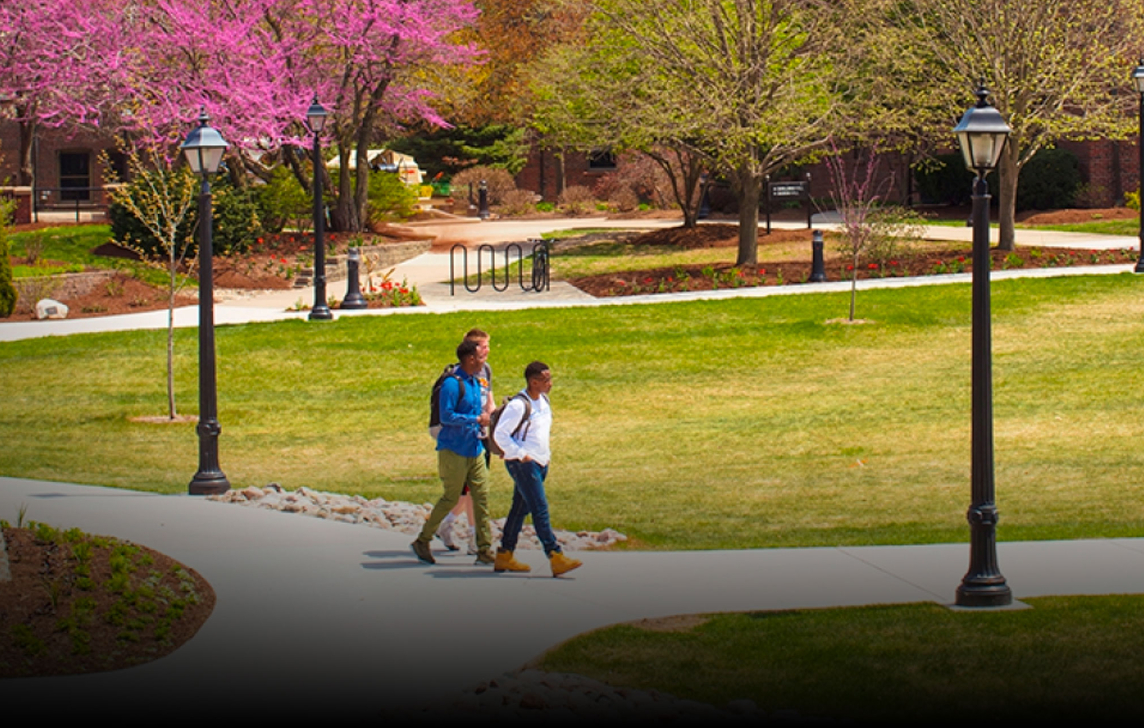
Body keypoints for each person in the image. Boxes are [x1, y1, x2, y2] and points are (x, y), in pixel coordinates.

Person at [492, 361, 582, 578]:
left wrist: (545, 457)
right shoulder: (519, 406)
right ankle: (555, 555)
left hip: (540, 462)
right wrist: (522, 455)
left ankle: (505, 554)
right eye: (546, 380)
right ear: (533, 382)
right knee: (539, 508)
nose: (550, 383)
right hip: (523, 463)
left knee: (519, 509)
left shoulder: (543, 401)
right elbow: (500, 435)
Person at [412, 339, 494, 566]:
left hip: (475, 448)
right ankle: (423, 539)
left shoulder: (477, 381)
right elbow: (446, 417)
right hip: (454, 450)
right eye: (480, 356)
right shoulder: (452, 384)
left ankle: (484, 549)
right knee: (450, 498)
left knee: (482, 497)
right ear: (470, 359)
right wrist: (476, 419)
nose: (484, 360)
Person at [435, 328, 493, 554]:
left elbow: (489, 399)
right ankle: (469, 535)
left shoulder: (485, 370)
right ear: (471, 352)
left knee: (474, 491)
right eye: (483, 347)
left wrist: (492, 425)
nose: (487, 351)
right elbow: (446, 414)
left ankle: (452, 527)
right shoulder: (455, 378)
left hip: (479, 437)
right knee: (467, 492)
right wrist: (476, 420)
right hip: (460, 440)